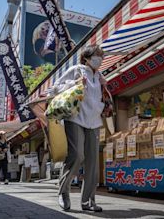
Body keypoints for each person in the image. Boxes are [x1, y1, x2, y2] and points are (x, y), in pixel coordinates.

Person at [51, 45, 106, 212]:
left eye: (101, 56)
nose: (100, 59)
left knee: (92, 162)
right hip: (75, 117)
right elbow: (55, 87)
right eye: (97, 56)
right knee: (77, 155)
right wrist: (75, 83)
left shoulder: (100, 75)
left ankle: (88, 201)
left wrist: (104, 86)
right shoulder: (77, 69)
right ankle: (63, 191)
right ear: (87, 58)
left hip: (94, 121)